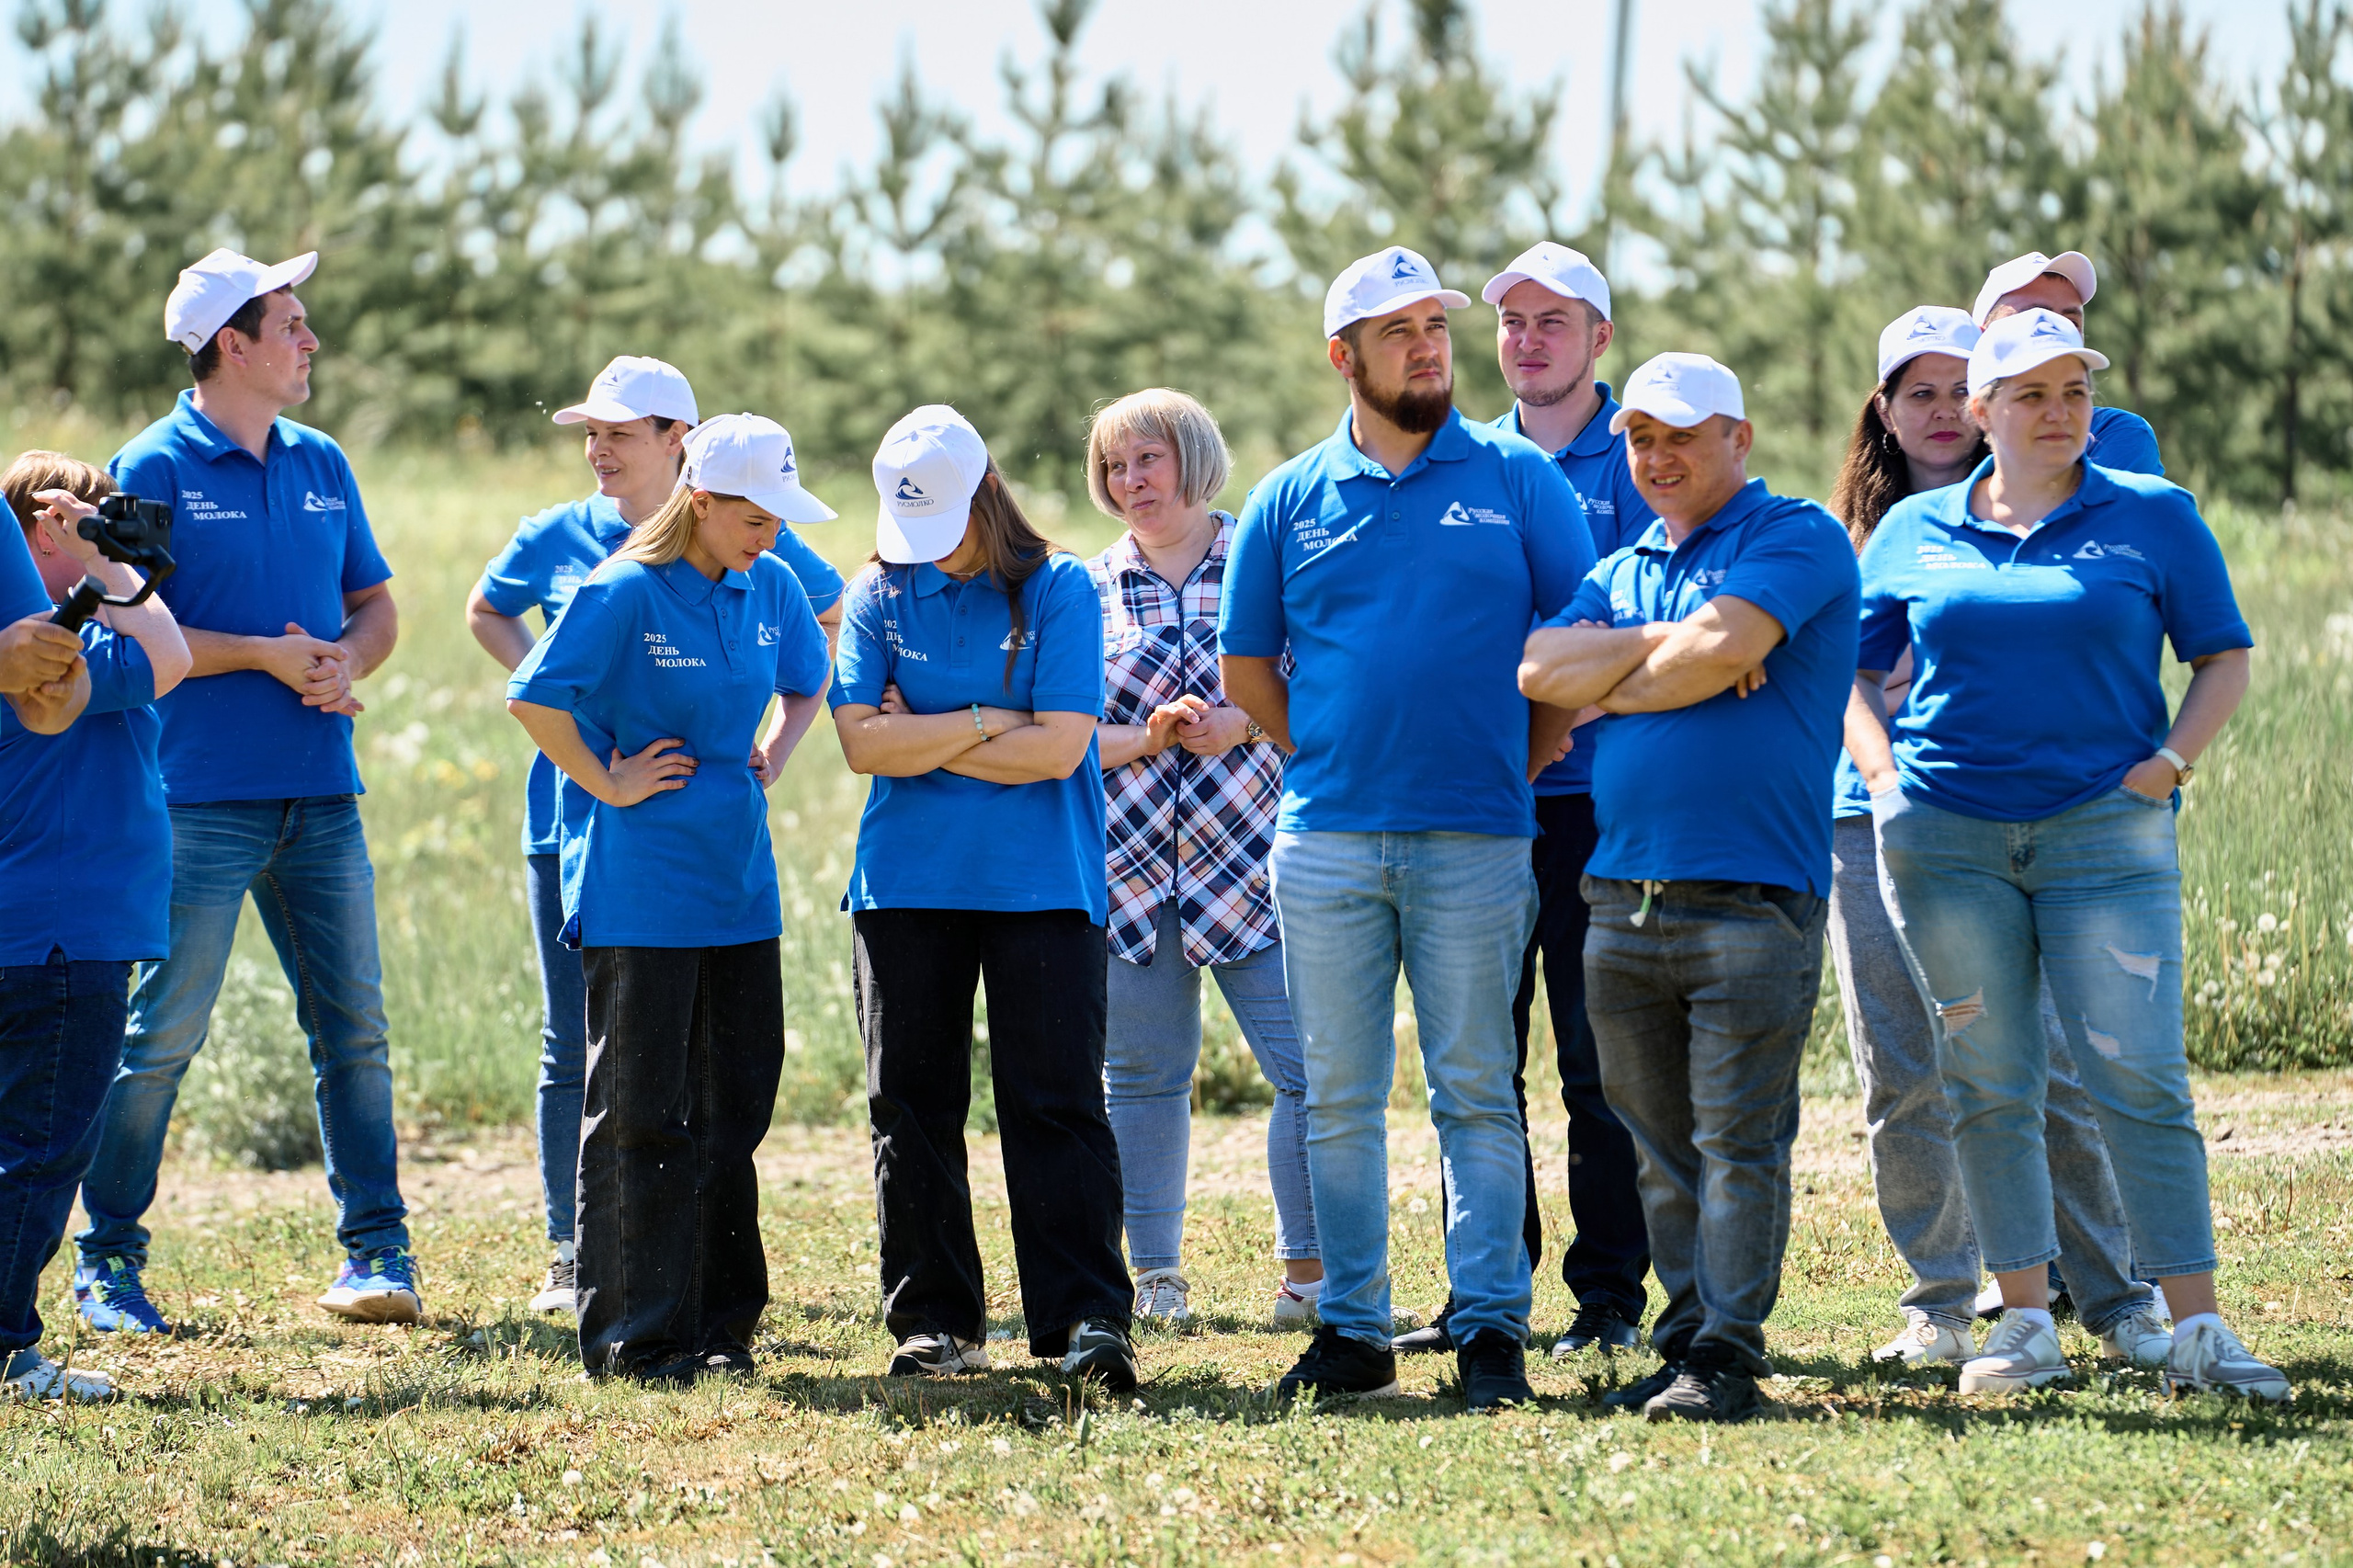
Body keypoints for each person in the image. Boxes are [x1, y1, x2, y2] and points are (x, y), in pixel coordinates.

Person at [1853, 309, 2289, 1401]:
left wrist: (2167, 767)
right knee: (1986, 1080)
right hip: (1945, 841)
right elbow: (1843, 671)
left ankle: (2195, 1327)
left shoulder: (2150, 515)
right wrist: (1884, 779)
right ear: (1982, 411)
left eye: (2074, 393)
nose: (2059, 413)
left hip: (2106, 836)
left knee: (2136, 1077)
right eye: (2032, 394)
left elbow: (2222, 658)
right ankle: (2025, 1325)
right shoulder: (1913, 529)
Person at [1219, 246, 1595, 1413]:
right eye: (1398, 332)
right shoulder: (1288, 495)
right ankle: (1353, 1329)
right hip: (1325, 839)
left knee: (1475, 1088)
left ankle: (1489, 1329)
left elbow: (1578, 637)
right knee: (1337, 1094)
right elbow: (1246, 668)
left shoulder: (1518, 476)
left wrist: (1522, 752)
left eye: (1434, 324)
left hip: (1481, 836)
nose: (1428, 345)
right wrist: (1328, 752)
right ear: (1344, 358)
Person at [76, 248, 416, 1332]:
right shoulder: (151, 469)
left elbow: (375, 607)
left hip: (323, 793)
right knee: (161, 1036)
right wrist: (266, 656)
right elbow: (131, 632)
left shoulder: (322, 461)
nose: (311, 341)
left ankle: (378, 1254)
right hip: (196, 799)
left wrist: (345, 660)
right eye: (294, 324)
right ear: (234, 342)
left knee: (353, 1029)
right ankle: (106, 1262)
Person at [1518, 352, 1860, 1424]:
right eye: (1640, 438)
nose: (1656, 457)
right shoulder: (1619, 566)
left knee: (1736, 1137)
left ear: (1738, 440)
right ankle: (1683, 1339)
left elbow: (1725, 649)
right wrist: (1682, 642)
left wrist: (1623, 676)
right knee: (1658, 1144)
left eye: (1681, 435)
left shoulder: (1794, 534)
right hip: (1621, 893)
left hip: (1753, 894)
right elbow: (1537, 669)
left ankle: (1726, 1346)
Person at [1826, 308, 2171, 1370]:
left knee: (2053, 1065)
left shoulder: (2034, 516)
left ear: (1983, 408)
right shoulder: (1849, 537)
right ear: (1883, 409)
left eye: (1951, 390)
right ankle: (1939, 1295)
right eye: (1913, 391)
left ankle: (2114, 1296)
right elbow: (1846, 678)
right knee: (1903, 1071)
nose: (1936, 410)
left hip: (2018, 824)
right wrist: (1883, 782)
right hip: (1866, 820)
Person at [466, 357, 845, 1315]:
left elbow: (810, 678)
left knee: (734, 1105)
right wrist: (605, 779)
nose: (774, 538)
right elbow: (532, 694)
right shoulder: (622, 587)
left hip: (737, 880)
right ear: (706, 500)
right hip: (639, 879)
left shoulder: (771, 587)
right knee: (636, 1111)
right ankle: (634, 1321)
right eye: (758, 519)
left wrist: (778, 747)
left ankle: (722, 1318)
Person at [832, 405, 1139, 1390]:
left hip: (1041, 884)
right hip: (904, 885)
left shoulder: (1060, 587)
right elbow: (857, 744)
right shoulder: (878, 590)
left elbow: (1059, 747)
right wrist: (983, 716)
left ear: (986, 493)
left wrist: (925, 730)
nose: (931, 553)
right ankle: (934, 1321)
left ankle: (1084, 1316)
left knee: (1052, 1101)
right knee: (910, 1105)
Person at [1420, 241, 1655, 1361]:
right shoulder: (1460, 459)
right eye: (1511, 322)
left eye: (1551, 321)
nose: (1526, 340)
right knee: (1476, 1057)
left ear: (1599, 336)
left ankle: (1610, 1292)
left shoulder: (1648, 454)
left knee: (1598, 1058)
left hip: (1601, 802)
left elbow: (1633, 635)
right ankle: (1487, 1286)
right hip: (1477, 804)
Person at [1082, 388, 1319, 1326]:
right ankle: (1157, 1278)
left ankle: (1308, 1275)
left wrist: (1244, 721)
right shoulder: (1087, 586)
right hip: (1132, 874)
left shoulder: (1265, 562)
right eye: (1113, 465)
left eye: (1147, 459)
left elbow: (1321, 694)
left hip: (1256, 869)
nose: (1130, 481)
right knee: (1141, 1080)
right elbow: (1064, 736)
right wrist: (1145, 738)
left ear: (1191, 458)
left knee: (1307, 1070)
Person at [0, 455, 190, 1401]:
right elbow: (174, 656)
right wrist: (110, 563)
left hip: (47, 927)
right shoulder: (57, 651)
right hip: (64, 936)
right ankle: (7, 1346)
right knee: (41, 1150)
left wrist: (106, 556)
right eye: (60, 519)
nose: (86, 526)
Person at [1972, 251, 2162, 477]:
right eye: (2032, 318)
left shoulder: (2115, 433)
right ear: (1981, 338)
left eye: (2071, 322)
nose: (2053, 331)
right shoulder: (1947, 432)